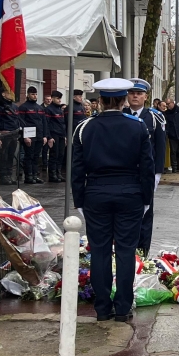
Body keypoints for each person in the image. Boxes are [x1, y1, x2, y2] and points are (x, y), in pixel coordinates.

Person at [72, 78, 154, 322]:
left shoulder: (84, 128)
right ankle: (123, 307)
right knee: (126, 251)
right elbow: (147, 167)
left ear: (99, 101)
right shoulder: (138, 126)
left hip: (96, 193)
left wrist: (79, 200)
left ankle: (102, 307)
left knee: (100, 251)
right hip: (130, 193)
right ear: (123, 100)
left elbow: (76, 169)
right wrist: (146, 198)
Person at [126, 78, 167, 255]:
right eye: (132, 93)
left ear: (146, 97)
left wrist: (157, 173)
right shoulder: (121, 114)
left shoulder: (154, 117)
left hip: (146, 173)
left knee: (146, 213)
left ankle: (143, 251)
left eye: (139, 93)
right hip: (126, 172)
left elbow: (160, 146)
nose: (135, 96)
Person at [18, 86, 48, 184]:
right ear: (28, 95)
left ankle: (35, 175)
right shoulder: (23, 107)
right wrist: (25, 136)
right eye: (32, 94)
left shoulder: (40, 108)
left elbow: (44, 122)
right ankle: (28, 176)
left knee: (36, 156)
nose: (35, 96)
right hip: (29, 136)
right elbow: (21, 123)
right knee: (29, 156)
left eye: (35, 94)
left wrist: (45, 136)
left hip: (39, 136)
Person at [44, 90, 67, 182]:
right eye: (57, 98)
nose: (59, 100)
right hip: (54, 134)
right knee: (54, 154)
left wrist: (64, 136)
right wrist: (49, 137)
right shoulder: (49, 109)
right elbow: (46, 124)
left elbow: (62, 124)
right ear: (52, 98)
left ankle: (58, 173)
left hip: (61, 135)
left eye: (60, 98)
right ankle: (52, 174)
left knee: (61, 155)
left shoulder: (60, 110)